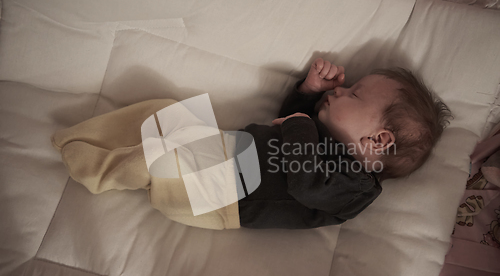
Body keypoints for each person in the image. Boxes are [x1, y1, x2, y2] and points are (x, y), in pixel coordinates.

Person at [51, 58, 451, 230]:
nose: (342, 89)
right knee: (164, 111)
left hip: (225, 198)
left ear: (378, 140)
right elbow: (289, 123)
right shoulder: (323, 133)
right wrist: (308, 93)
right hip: (223, 151)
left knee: (163, 163)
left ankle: (98, 170)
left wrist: (299, 124)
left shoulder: (356, 188)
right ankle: (85, 137)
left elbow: (303, 179)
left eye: (354, 94)